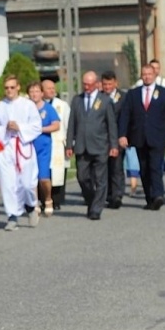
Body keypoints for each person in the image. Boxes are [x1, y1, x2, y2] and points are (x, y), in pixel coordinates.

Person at [116, 61, 165, 210]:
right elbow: (125, 115)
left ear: (155, 75)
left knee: (155, 166)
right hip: (139, 136)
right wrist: (122, 135)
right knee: (144, 168)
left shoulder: (164, 93)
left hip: (157, 136)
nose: (146, 77)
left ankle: (158, 195)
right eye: (144, 74)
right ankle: (149, 197)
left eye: (149, 74)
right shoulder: (133, 93)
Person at [0, 75, 42, 230]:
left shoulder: (28, 105)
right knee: (8, 184)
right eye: (7, 88)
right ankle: (12, 216)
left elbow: (37, 126)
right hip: (6, 148)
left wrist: (20, 127)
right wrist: (5, 129)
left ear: (18, 87)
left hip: (23, 146)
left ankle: (30, 205)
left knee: (27, 184)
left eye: (12, 87)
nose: (9, 90)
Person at [65, 69, 119, 219]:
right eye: (84, 84)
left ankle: (96, 209)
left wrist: (114, 145)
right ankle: (92, 199)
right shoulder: (77, 100)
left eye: (89, 84)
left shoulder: (105, 100)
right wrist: (69, 144)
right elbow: (72, 124)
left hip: (100, 146)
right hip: (82, 146)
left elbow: (111, 125)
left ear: (96, 84)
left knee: (101, 178)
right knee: (82, 177)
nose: (86, 87)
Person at [101, 72, 132, 206]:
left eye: (110, 84)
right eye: (105, 84)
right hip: (102, 139)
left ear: (115, 83)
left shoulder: (123, 98)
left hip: (118, 138)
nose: (107, 87)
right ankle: (107, 194)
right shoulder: (99, 97)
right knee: (104, 168)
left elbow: (128, 118)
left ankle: (117, 195)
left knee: (116, 167)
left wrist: (124, 136)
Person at [29, 81, 59, 215]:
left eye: (37, 91)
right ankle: (34, 202)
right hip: (29, 147)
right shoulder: (26, 108)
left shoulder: (48, 108)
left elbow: (56, 125)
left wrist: (40, 129)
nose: (34, 94)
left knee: (43, 178)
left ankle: (47, 198)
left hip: (43, 147)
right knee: (31, 178)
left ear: (42, 93)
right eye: (31, 91)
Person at [42, 79, 70, 211]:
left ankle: (57, 199)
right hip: (45, 142)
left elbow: (68, 125)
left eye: (53, 88)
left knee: (59, 171)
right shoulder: (38, 105)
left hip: (59, 142)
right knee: (45, 171)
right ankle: (45, 199)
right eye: (48, 88)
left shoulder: (62, 105)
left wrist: (70, 144)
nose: (52, 90)